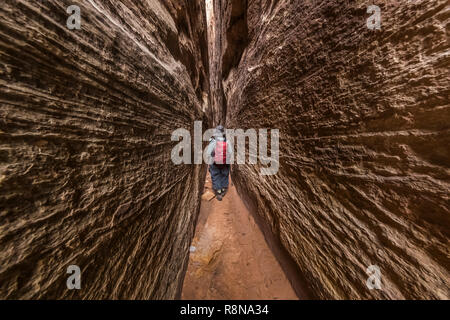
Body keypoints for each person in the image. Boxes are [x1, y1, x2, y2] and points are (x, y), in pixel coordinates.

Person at [206, 125, 231, 201]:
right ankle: (223, 190)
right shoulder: (227, 141)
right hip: (225, 163)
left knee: (216, 175)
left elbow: (208, 153)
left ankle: (218, 192)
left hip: (214, 163)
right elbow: (230, 152)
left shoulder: (213, 141)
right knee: (224, 174)